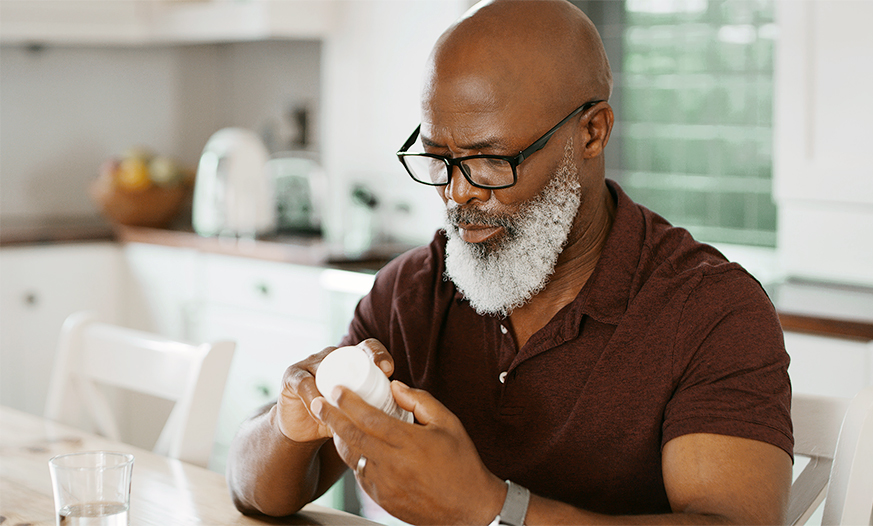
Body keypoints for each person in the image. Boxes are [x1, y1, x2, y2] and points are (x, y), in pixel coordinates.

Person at [226, 0, 793, 524]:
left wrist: (493, 509)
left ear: (592, 133)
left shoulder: (710, 310)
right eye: (438, 159)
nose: (457, 194)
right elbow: (253, 490)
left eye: (491, 161)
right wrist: (288, 423)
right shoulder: (413, 294)